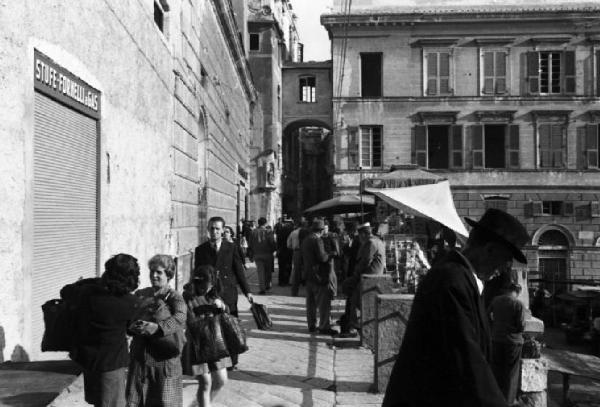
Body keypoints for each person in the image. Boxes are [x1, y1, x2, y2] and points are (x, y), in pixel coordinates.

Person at [383, 208, 530, 407]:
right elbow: (466, 358)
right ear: (489, 250)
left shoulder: (460, 277)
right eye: (505, 260)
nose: (505, 269)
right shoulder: (451, 280)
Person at [61, 254, 140, 407]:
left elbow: (65, 291)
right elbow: (132, 330)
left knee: (99, 403)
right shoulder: (130, 303)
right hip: (112, 364)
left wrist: (93, 281)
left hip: (89, 361)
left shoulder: (87, 294)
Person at [126, 254, 187, 407]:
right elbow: (130, 316)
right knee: (136, 401)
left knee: (164, 402)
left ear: (168, 275)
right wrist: (131, 327)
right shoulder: (141, 294)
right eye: (152, 271)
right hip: (140, 360)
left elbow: (180, 316)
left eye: (159, 272)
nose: (154, 275)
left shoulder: (175, 297)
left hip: (165, 362)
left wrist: (158, 328)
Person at [194, 216, 253, 370]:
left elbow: (238, 270)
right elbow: (197, 274)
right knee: (213, 328)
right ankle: (215, 358)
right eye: (211, 228)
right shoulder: (201, 250)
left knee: (231, 327)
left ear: (223, 230)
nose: (214, 231)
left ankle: (233, 361)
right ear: (208, 229)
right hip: (210, 295)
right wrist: (196, 292)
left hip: (228, 293)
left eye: (217, 229)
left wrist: (248, 292)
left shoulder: (231, 247)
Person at [183, 265, 229, 407]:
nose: (207, 288)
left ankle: (198, 404)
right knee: (205, 382)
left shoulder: (213, 295)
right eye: (205, 284)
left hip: (215, 343)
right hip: (198, 345)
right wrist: (204, 312)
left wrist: (222, 307)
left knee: (221, 380)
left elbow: (226, 314)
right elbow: (189, 321)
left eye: (211, 284)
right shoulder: (188, 296)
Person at [339, 222, 385, 338]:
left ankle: (356, 328)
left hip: (368, 278)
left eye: (359, 236)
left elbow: (365, 262)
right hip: (372, 277)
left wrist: (354, 275)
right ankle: (355, 326)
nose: (359, 239)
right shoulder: (378, 241)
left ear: (363, 234)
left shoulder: (370, 243)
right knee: (354, 298)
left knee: (355, 300)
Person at [489, 283, 526, 406]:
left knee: (497, 369)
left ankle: (495, 397)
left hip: (496, 339)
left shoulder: (496, 300)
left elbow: (488, 315)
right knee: (511, 372)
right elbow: (521, 326)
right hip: (513, 342)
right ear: (518, 291)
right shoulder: (518, 304)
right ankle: (508, 401)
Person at [301, 218, 338, 336]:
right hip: (319, 275)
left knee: (310, 303)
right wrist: (331, 254)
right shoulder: (317, 240)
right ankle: (324, 326)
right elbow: (322, 258)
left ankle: (311, 325)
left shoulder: (306, 239)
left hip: (308, 274)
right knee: (323, 303)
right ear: (321, 230)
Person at [248, 217, 276, 294]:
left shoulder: (253, 232)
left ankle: (262, 289)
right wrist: (273, 250)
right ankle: (267, 284)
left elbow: (250, 244)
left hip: (257, 254)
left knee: (260, 272)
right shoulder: (269, 232)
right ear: (265, 223)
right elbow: (272, 243)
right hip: (267, 254)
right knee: (268, 271)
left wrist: (250, 254)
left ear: (258, 223)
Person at [287, 217, 309, 296]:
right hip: (306, 253)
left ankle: (294, 292)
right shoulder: (308, 232)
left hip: (297, 252)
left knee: (296, 272)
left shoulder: (293, 232)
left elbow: (288, 245)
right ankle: (309, 292)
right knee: (308, 271)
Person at [274, 218, 293, 286]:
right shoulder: (291, 231)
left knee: (282, 267)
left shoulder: (280, 230)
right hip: (288, 251)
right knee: (288, 267)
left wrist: (277, 250)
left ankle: (281, 281)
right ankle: (286, 281)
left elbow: (277, 242)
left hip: (281, 251)